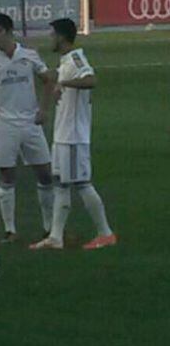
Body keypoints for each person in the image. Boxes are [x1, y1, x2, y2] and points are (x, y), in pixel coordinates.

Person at [30, 18, 117, 250]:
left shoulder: (77, 58)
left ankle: (105, 233)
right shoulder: (65, 61)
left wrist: (64, 83)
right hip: (62, 135)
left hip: (73, 136)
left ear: (61, 36)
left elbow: (91, 79)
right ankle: (55, 237)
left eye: (51, 35)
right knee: (60, 184)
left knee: (81, 184)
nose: (49, 38)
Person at [0, 14, 54, 243]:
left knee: (45, 174)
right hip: (4, 125)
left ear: (10, 31)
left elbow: (48, 79)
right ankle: (10, 230)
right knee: (7, 176)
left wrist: (44, 109)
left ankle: (49, 227)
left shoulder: (29, 55)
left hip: (30, 123)